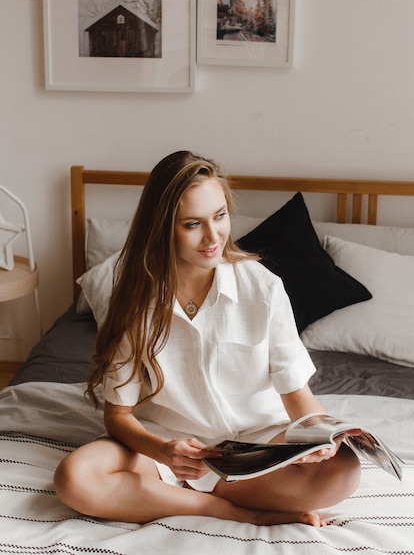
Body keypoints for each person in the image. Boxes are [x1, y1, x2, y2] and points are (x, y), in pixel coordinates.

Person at [54, 151, 361, 527]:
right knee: (75, 478)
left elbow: (296, 395)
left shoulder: (263, 288)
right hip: (167, 445)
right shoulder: (135, 300)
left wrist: (323, 437)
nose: (213, 236)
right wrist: (163, 450)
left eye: (220, 216)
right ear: (162, 227)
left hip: (257, 444)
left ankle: (186, 494)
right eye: (192, 224)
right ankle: (234, 511)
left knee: (343, 469)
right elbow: (117, 414)